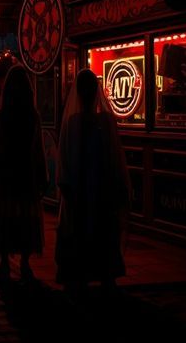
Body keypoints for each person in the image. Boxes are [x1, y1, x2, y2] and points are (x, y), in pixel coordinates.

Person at [55, 68, 130, 296]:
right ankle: (104, 275)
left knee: (81, 231)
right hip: (98, 189)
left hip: (84, 189)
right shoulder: (104, 121)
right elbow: (115, 157)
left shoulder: (73, 122)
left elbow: (64, 159)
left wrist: (66, 186)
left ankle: (80, 276)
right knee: (101, 231)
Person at [0, 65, 47, 282]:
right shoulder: (32, 116)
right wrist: (42, 176)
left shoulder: (2, 115)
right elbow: (38, 149)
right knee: (27, 217)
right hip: (26, 173)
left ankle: (3, 263)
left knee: (5, 217)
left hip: (6, 174)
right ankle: (25, 263)